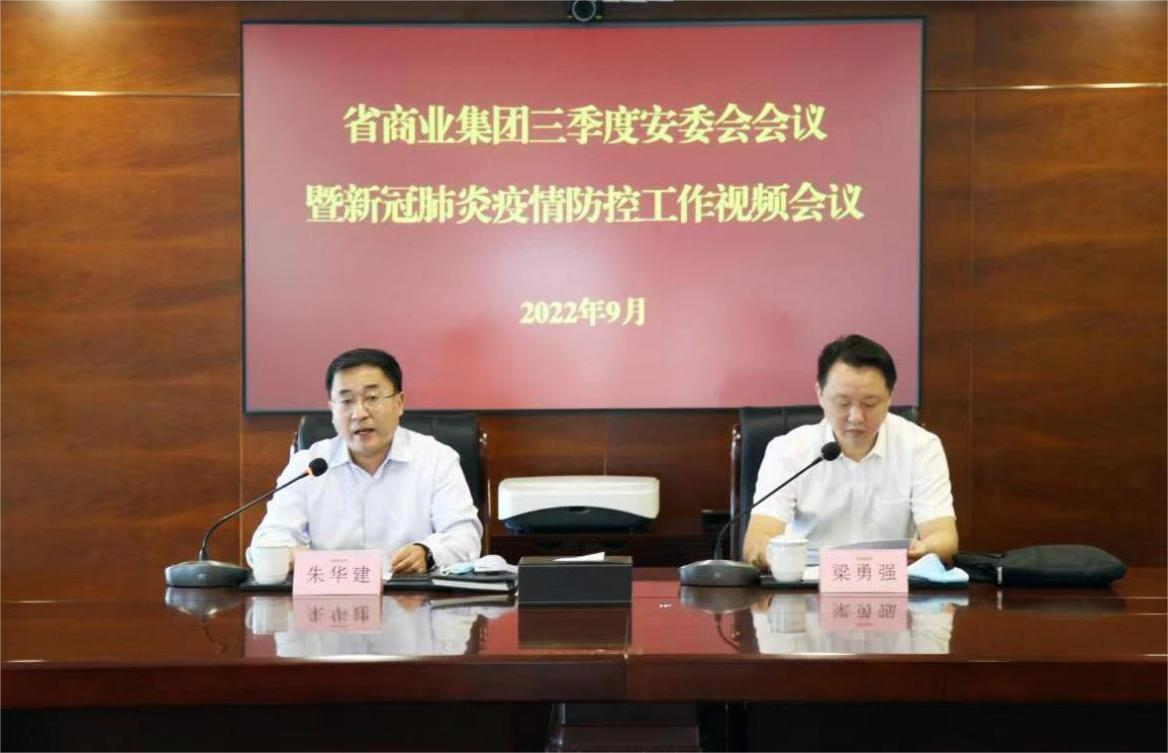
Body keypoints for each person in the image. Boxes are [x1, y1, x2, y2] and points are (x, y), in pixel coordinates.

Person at [251, 348, 483, 573]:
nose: (359, 413)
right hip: (330, 595)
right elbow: (267, 539)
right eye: (346, 401)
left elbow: (464, 536)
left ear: (399, 403)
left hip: (413, 593)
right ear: (332, 409)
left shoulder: (436, 459)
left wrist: (428, 553)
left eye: (372, 398)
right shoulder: (308, 465)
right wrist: (284, 554)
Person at [743, 334, 958, 568]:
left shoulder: (921, 447)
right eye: (843, 403)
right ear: (820, 394)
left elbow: (943, 537)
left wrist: (923, 549)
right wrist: (766, 554)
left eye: (869, 403)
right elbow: (759, 539)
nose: (856, 417)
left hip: (890, 579)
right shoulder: (787, 451)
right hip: (809, 583)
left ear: (890, 396)